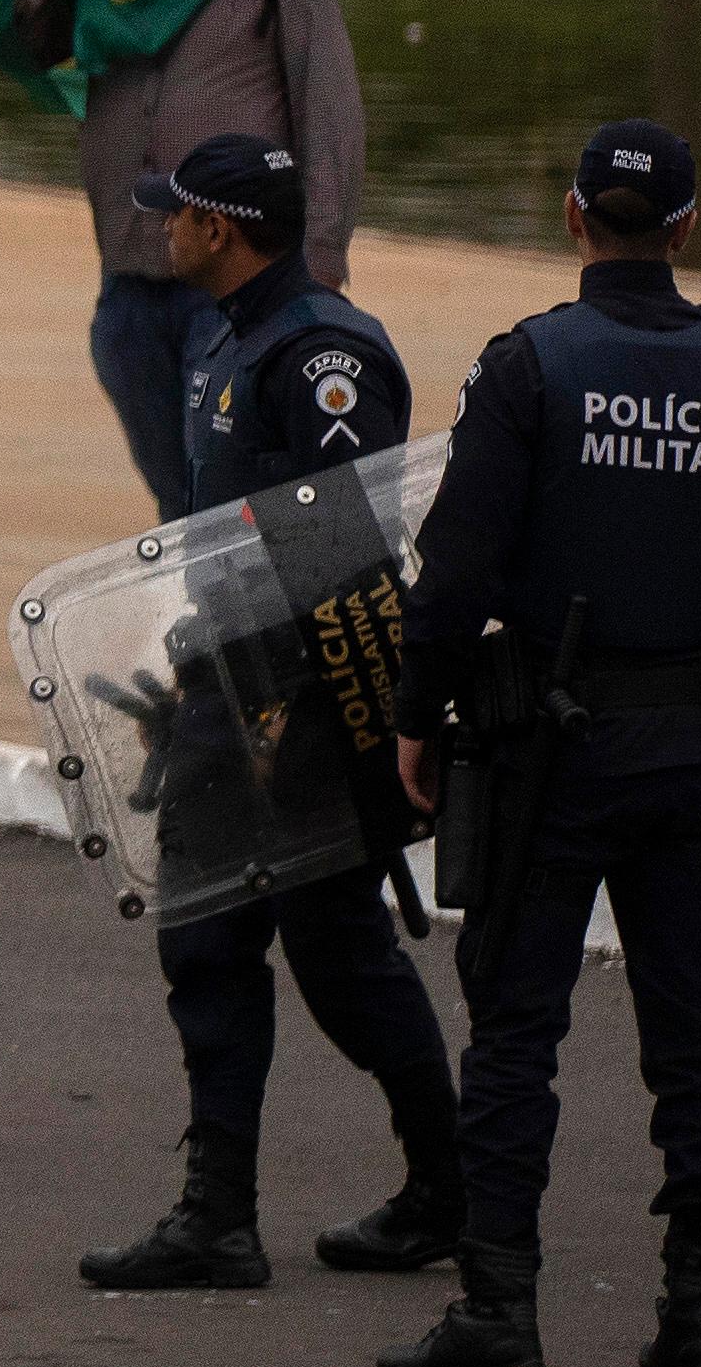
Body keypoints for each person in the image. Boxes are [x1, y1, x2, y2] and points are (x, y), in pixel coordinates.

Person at [375, 122, 701, 1367]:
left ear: (572, 216)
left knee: (514, 1032)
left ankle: (497, 1310)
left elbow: (452, 569)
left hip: (546, 752)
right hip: (696, 750)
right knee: (697, 1040)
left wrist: (414, 717)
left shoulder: (528, 365)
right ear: (687, 230)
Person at [72, 132, 464, 1296]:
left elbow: (340, 548)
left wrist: (294, 706)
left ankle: (436, 1189)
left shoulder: (322, 355)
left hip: (292, 702)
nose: (164, 229)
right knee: (208, 940)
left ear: (225, 229)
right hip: (227, 688)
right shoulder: (227, 337)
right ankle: (220, 1212)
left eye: (179, 214)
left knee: (337, 955)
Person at [0, 0, 365, 516]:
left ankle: (252, 626)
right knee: (179, 500)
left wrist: (316, 275)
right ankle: (203, 624)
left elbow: (333, 130)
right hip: (129, 289)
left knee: (245, 499)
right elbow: (14, 43)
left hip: (238, 296)